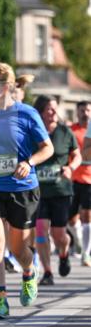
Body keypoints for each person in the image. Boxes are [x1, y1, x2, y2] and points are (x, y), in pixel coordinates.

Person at [0, 63, 53, 320]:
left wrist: (29, 163)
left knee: (18, 250)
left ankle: (29, 271)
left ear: (4, 88)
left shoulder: (27, 114)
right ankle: (1, 300)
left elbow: (46, 148)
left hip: (22, 188)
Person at [32, 96, 81, 285]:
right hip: (39, 191)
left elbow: (75, 155)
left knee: (59, 234)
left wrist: (71, 168)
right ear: (41, 112)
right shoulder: (34, 132)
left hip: (61, 190)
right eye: (49, 109)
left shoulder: (64, 131)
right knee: (41, 230)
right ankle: (47, 272)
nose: (53, 113)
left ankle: (64, 253)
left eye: (54, 109)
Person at [70, 101, 91, 266]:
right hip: (72, 179)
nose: (86, 113)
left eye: (88, 110)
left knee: (87, 215)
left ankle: (86, 253)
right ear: (77, 112)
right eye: (82, 110)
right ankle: (78, 242)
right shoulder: (71, 131)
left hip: (89, 179)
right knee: (71, 219)